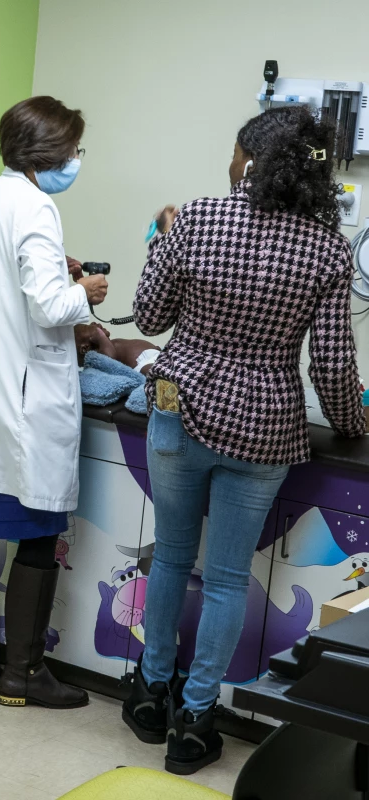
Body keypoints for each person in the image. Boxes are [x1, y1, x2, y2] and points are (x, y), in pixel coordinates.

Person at [123, 105, 365, 775]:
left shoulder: (197, 218)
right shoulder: (327, 248)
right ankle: (195, 723)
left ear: (252, 160)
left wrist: (163, 240)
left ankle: (149, 696)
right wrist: (352, 424)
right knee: (228, 578)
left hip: (178, 403)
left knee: (171, 558)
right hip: (264, 423)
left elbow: (149, 314)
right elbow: (334, 365)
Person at [0, 96, 109, 708]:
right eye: (74, 151)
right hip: (22, 401)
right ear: (51, 153)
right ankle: (23, 675)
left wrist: (56, 274)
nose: (76, 161)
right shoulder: (37, 206)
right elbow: (48, 306)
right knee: (36, 533)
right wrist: (82, 290)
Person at [75, 322, 161, 374]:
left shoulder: (107, 344)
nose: (92, 324)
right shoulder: (99, 355)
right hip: (144, 365)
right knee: (151, 372)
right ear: (85, 348)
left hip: (158, 356)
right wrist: (100, 336)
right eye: (88, 327)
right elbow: (110, 361)